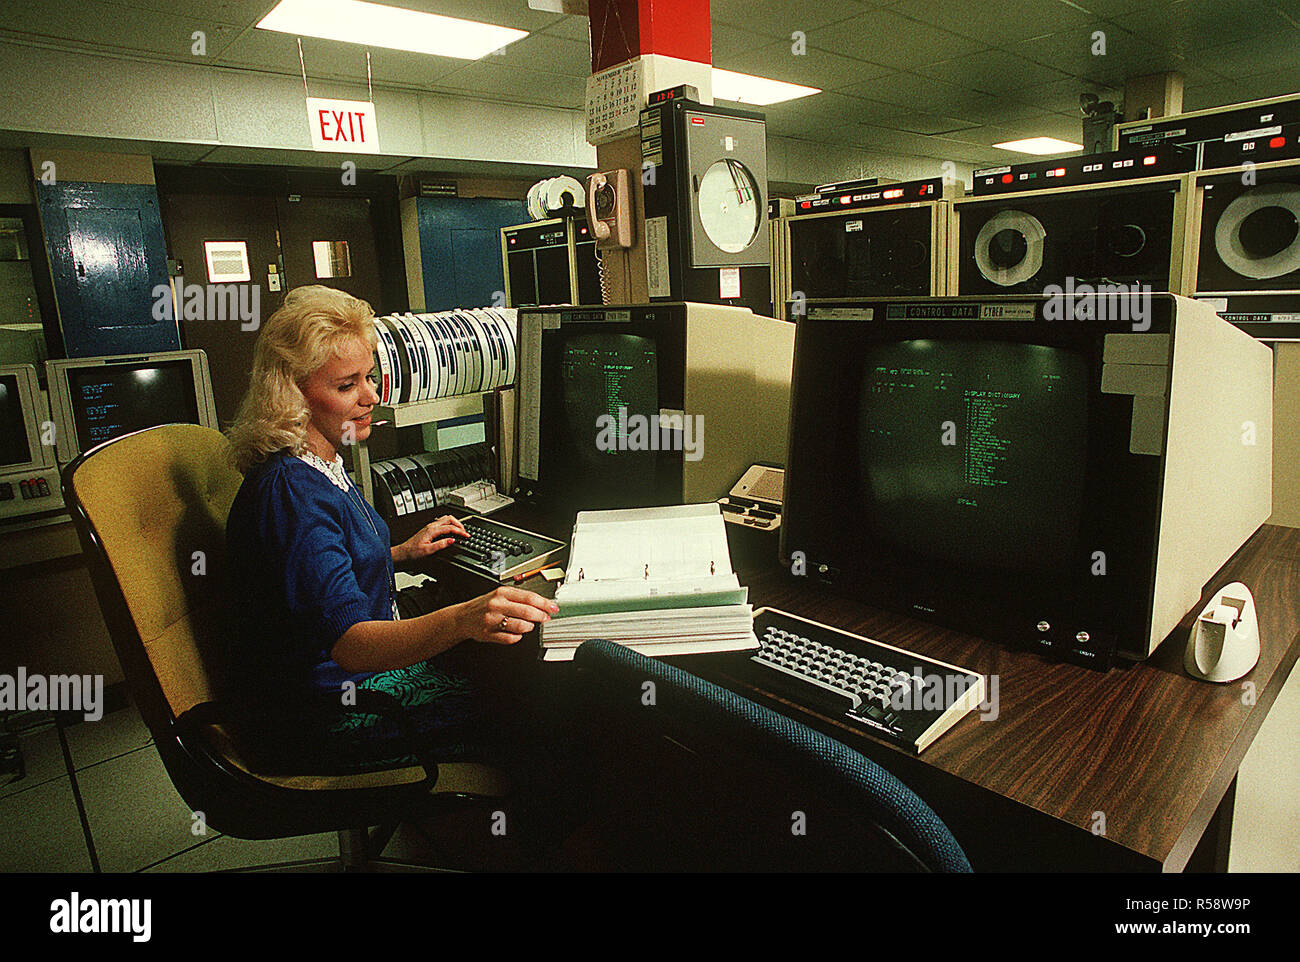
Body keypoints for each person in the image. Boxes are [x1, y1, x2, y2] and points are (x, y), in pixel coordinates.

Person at [223, 285, 558, 774]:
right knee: (533, 691)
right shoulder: (291, 491)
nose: (371, 397)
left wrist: (399, 552)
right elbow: (352, 643)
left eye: (369, 377)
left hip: (344, 682)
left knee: (509, 659)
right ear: (291, 394)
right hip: (327, 713)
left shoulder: (316, 462)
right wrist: (465, 617)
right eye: (346, 386)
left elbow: (318, 574)